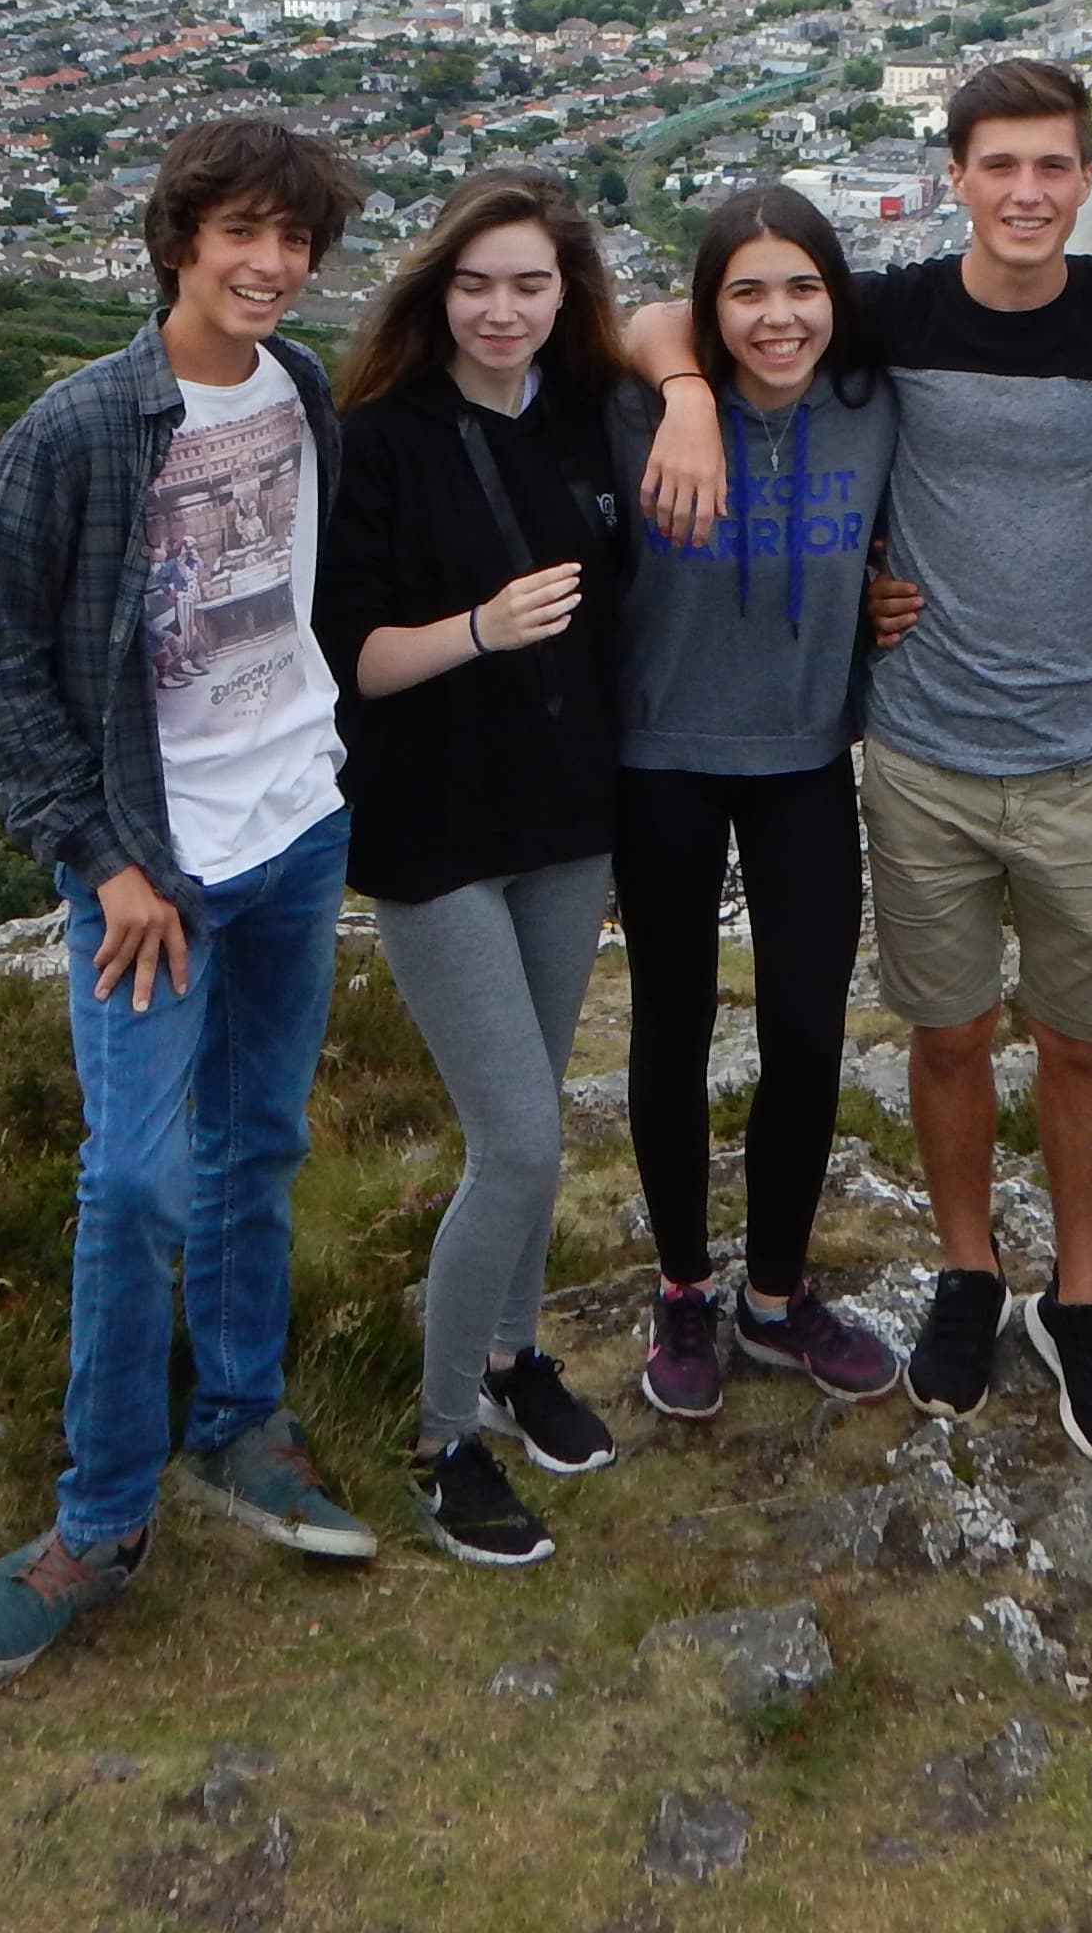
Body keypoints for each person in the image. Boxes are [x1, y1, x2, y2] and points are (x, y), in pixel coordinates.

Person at [630, 61, 1092, 1471]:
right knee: (948, 1035)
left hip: (1086, 750)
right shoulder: (896, 311)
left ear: (1088, 178)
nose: (1027, 192)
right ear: (958, 177)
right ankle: (969, 1271)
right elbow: (678, 311)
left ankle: (1081, 1297)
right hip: (922, 747)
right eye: (1000, 166)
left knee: (1084, 1042)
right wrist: (684, 394)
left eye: (1053, 166)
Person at [0, 116, 380, 1683]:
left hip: (299, 830)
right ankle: (102, 1517)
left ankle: (242, 1423)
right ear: (179, 241)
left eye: (296, 240)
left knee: (258, 1142)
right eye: (242, 233)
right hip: (158, 869)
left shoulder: (302, 393)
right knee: (131, 1185)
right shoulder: (77, 429)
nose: (271, 265)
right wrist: (106, 861)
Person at [316, 166, 644, 1566]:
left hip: (565, 823)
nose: (502, 310)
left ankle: (512, 1358)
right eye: (475, 284)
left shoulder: (591, 417)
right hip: (435, 834)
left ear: (566, 295)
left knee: (539, 1117)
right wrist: (483, 629)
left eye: (529, 284)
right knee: (515, 1141)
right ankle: (442, 1434)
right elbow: (353, 657)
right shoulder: (380, 441)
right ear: (436, 292)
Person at [607, 183, 913, 1422]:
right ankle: (684, 1287)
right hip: (662, 754)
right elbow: (626, 323)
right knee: (672, 1026)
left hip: (804, 754)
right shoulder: (643, 405)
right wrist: (688, 395)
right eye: (746, 293)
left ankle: (777, 1297)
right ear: (709, 308)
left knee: (806, 1031)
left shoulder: (871, 402)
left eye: (803, 288)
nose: (779, 317)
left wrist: (885, 592)